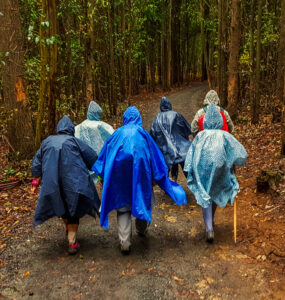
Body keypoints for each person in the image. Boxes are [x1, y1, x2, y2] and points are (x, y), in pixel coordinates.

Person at [92, 106, 187, 254]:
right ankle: (141, 229)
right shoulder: (143, 135)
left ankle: (125, 242)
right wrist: (158, 177)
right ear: (139, 119)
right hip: (141, 176)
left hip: (119, 178)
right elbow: (155, 157)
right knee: (143, 200)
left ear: (124, 119)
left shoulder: (116, 135)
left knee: (123, 208)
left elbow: (103, 158)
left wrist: (101, 178)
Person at [31, 115, 100, 255]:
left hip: (53, 182)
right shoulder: (75, 141)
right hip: (73, 182)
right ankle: (72, 242)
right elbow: (92, 157)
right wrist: (100, 173)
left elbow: (37, 161)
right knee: (73, 208)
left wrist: (35, 180)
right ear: (71, 129)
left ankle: (68, 229)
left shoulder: (47, 142)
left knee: (60, 204)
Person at [184, 103, 247, 243]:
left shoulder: (200, 136)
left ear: (206, 121)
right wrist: (234, 160)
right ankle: (210, 221)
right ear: (219, 120)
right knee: (215, 191)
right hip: (220, 169)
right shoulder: (225, 135)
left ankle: (209, 228)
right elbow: (241, 154)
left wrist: (190, 170)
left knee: (205, 194)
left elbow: (190, 156)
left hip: (202, 171)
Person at [150, 96, 191, 182]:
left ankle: (172, 182)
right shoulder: (176, 115)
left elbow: (152, 134)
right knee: (185, 167)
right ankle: (193, 184)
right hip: (181, 148)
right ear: (169, 105)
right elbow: (187, 129)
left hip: (166, 150)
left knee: (168, 163)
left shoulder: (157, 118)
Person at [75, 101, 114, 183]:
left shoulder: (80, 126)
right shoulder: (101, 125)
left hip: (85, 164)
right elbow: (112, 136)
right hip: (100, 163)